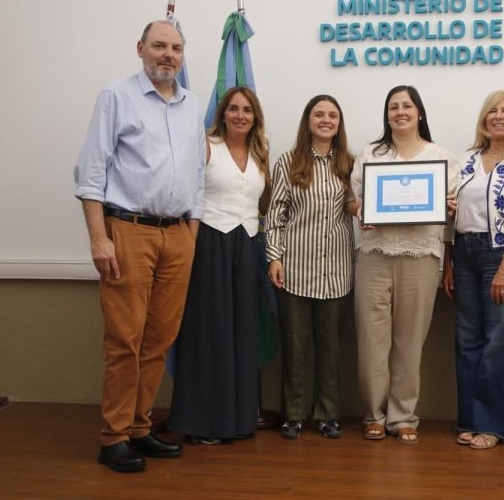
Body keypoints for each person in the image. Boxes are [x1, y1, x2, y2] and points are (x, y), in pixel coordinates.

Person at [73, 20, 205, 472]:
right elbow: (91, 173)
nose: (168, 54)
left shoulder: (192, 106)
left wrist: (193, 228)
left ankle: (138, 428)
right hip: (128, 230)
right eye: (159, 46)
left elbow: (198, 176)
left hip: (178, 235)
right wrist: (98, 237)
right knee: (125, 340)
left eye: (176, 48)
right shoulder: (116, 96)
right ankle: (112, 438)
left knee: (159, 339)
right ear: (140, 49)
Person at [351, 85, 460, 444]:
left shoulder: (442, 157)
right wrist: (363, 210)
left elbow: (451, 218)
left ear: (419, 113)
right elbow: (354, 202)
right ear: (387, 115)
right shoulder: (371, 153)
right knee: (371, 341)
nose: (400, 112)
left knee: (410, 342)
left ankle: (403, 416)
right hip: (374, 256)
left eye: (407, 106)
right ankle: (374, 415)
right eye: (394, 106)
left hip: (421, 256)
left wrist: (448, 208)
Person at [168, 86, 271, 444]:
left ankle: (239, 420)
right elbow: (188, 195)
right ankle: (203, 423)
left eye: (247, 109)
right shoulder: (207, 146)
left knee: (241, 333)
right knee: (209, 333)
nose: (240, 115)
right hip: (210, 244)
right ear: (223, 113)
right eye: (233, 109)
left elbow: (264, 206)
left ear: (255, 116)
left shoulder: (261, 155)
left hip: (247, 247)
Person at [442, 91, 504, 450]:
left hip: (501, 255)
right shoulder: (466, 159)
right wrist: (449, 260)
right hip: (465, 253)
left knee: (496, 341)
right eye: (493, 111)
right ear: (484, 118)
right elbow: (449, 215)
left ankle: (495, 425)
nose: (499, 117)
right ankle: (468, 420)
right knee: (467, 341)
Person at [265, 95, 355, 440]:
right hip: (294, 271)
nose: (326, 120)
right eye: (319, 114)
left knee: (331, 348)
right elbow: (275, 216)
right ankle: (293, 415)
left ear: (339, 123)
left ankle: (328, 414)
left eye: (333, 114)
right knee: (295, 346)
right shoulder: (288, 163)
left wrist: (380, 207)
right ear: (308, 120)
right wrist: (274, 257)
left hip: (336, 272)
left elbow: (354, 205)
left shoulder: (349, 163)